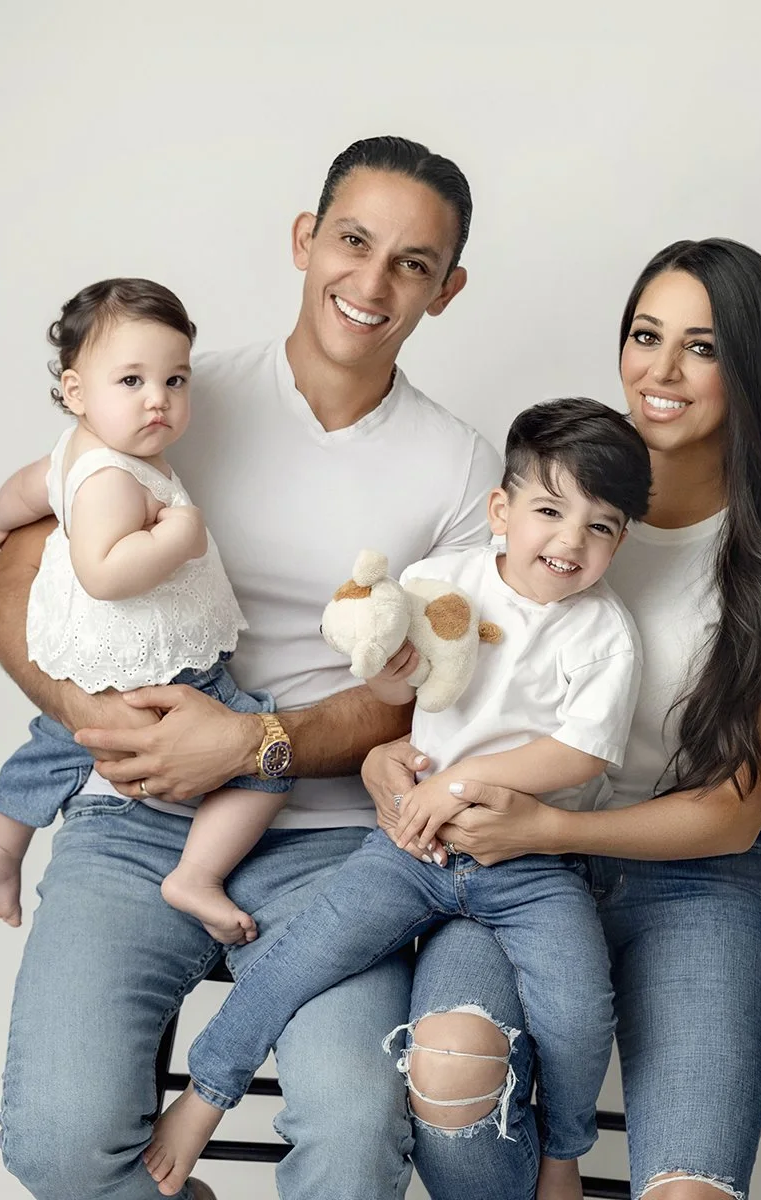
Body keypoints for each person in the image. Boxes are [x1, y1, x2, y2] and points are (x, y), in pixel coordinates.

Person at [0, 136, 497, 1200]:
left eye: (412, 263)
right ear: (305, 240)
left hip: (333, 842)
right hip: (135, 820)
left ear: (445, 291)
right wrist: (98, 718)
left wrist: (250, 743)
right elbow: (14, 573)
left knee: (353, 1140)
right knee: (60, 1145)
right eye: (352, 241)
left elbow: (438, 690)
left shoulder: (460, 469)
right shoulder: (169, 395)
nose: (372, 282)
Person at [367, 238, 761, 1200]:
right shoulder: (551, 494)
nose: (660, 372)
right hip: (508, 864)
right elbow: (446, 672)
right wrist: (390, 754)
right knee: (450, 1076)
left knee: (688, 1192)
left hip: (693, 879)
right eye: (645, 336)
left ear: (753, 369)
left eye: (702, 348)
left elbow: (738, 811)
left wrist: (552, 825)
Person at [143, 398, 651, 1200]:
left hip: (529, 866)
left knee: (581, 1007)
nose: (570, 542)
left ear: (619, 542)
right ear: (502, 510)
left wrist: (461, 783)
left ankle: (562, 1152)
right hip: (411, 848)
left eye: (601, 527)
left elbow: (579, 752)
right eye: (551, 512)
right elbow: (397, 691)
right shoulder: (444, 582)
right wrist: (384, 672)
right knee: (300, 955)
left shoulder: (605, 635)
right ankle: (205, 1095)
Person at [0, 277, 294, 944]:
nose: (158, 400)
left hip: (93, 664)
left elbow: (24, 489)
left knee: (56, 744)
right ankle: (195, 876)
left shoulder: (74, 452)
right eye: (131, 381)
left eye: (175, 381)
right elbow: (104, 574)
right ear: (75, 390)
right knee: (264, 753)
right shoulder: (114, 478)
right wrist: (178, 538)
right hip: (163, 671)